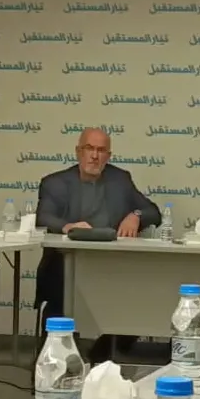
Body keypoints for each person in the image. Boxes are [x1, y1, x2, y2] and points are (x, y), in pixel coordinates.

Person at [33, 127, 162, 359]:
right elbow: (43, 217)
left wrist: (136, 215)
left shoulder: (120, 180)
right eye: (89, 149)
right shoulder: (55, 182)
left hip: (112, 267)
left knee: (140, 297)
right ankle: (52, 363)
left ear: (108, 156)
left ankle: (100, 356)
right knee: (59, 296)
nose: (94, 156)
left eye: (101, 150)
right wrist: (68, 227)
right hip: (66, 268)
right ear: (78, 152)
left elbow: (153, 212)